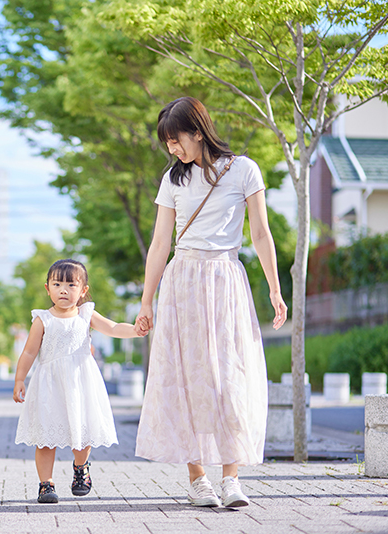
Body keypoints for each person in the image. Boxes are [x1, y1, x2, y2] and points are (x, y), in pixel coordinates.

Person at [134, 96, 287, 508]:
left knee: (229, 378)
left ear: (198, 131)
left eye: (176, 139)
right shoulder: (174, 179)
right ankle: (198, 479)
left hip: (225, 279)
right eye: (167, 142)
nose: (172, 148)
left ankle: (231, 478)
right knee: (186, 379)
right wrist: (146, 302)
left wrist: (274, 288)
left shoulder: (244, 170)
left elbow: (260, 233)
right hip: (182, 279)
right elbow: (160, 243)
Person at [13, 259, 144, 504]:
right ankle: (46, 484)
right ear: (47, 288)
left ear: (83, 290)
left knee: (82, 432)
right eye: (57, 284)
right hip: (49, 386)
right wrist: (20, 378)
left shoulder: (86, 314)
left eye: (71, 284)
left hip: (81, 383)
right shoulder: (43, 320)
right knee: (45, 437)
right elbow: (29, 352)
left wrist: (135, 330)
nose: (64, 289)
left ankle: (81, 468)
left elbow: (113, 327)